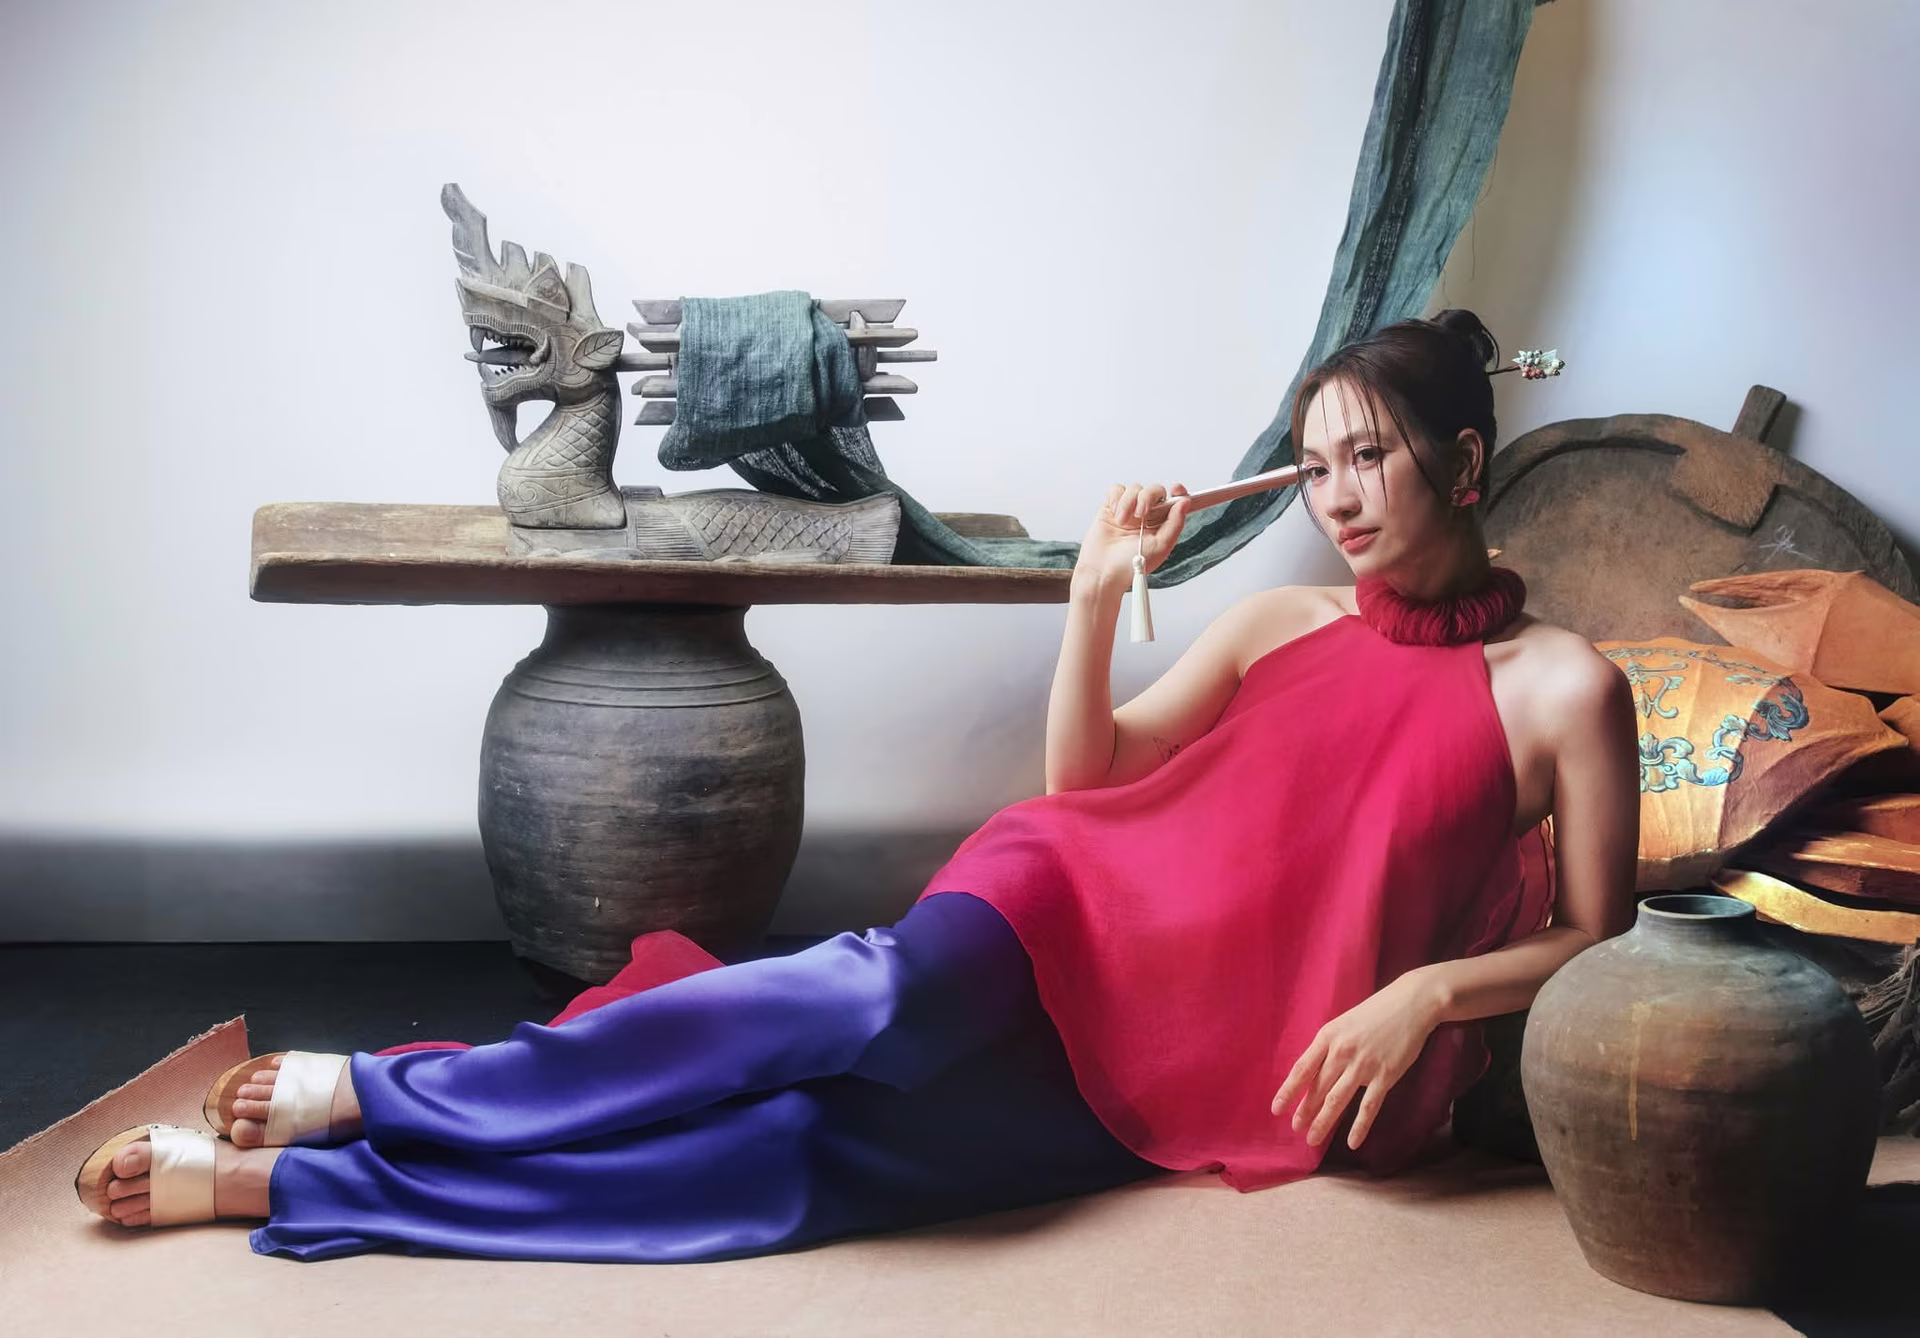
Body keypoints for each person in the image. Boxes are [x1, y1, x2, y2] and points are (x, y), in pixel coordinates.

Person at [76, 309, 1639, 1261]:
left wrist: (1429, 990)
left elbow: (1598, 932)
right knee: (864, 1003)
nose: (1337, 496)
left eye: (1370, 456)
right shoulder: (1281, 621)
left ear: (1465, 463)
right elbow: (1087, 779)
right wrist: (1094, 597)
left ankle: (298, 1184)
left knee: (795, 1164)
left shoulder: (1565, 686)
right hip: (1068, 910)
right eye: (1316, 462)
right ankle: (386, 1089)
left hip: (1210, 1063)